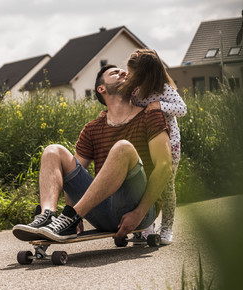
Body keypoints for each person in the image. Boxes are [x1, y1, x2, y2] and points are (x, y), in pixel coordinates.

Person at [13, 64, 172, 242]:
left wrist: (139, 212)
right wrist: (70, 206)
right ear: (101, 88)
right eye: (114, 72)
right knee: (52, 151)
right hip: (102, 211)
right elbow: (73, 174)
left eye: (124, 71)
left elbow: (165, 166)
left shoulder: (150, 116)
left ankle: (70, 218)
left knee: (123, 147)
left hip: (139, 211)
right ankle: (48, 216)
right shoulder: (92, 129)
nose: (123, 72)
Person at [119, 49, 187, 245]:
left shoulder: (164, 89)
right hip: (145, 145)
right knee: (145, 185)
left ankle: (167, 227)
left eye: (132, 73)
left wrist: (161, 106)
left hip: (170, 145)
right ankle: (147, 226)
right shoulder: (135, 92)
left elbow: (182, 109)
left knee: (166, 186)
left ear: (145, 74)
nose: (129, 76)